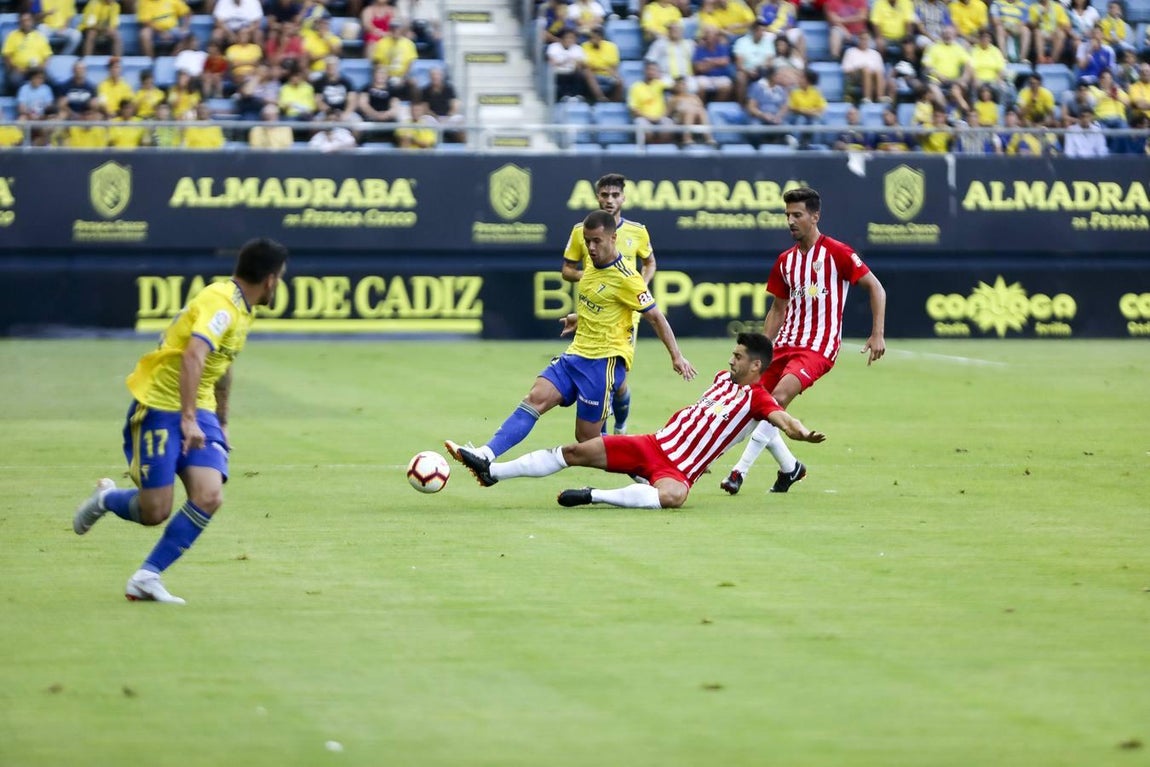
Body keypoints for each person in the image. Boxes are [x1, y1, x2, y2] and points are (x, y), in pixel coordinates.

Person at [72, 238, 289, 605]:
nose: (281, 284)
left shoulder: (242, 309)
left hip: (199, 407)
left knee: (209, 495)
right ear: (270, 280)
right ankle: (107, 499)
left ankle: (147, 576)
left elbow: (219, 366)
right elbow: (193, 357)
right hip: (160, 404)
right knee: (154, 511)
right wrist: (188, 420)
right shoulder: (221, 303)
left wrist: (220, 420)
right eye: (281, 277)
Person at [447, 333, 825, 509]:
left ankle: (593, 496)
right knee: (576, 450)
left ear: (756, 365)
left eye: (738, 356)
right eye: (732, 354)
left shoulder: (757, 398)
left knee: (675, 497)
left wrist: (803, 433)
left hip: (676, 470)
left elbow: (782, 420)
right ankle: (493, 473)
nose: (731, 360)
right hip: (652, 444)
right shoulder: (722, 379)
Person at [446, 210, 696, 468]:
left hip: (603, 364)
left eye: (597, 241)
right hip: (575, 356)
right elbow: (602, 305)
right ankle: (486, 455)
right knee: (535, 398)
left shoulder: (627, 278)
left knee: (588, 441)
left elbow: (656, 317)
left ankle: (649, 466)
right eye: (587, 240)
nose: (590, 246)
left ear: (614, 238)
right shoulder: (590, 267)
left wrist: (676, 356)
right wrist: (579, 318)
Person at [719, 187, 886, 496]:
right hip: (784, 345)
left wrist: (877, 332)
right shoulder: (785, 261)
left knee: (778, 397)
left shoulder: (837, 252)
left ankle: (737, 472)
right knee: (754, 405)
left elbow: (876, 287)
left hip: (818, 348)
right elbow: (778, 308)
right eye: (787, 215)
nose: (791, 221)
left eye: (797, 215)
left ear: (815, 216)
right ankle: (790, 468)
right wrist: (762, 350)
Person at [561, 173, 656, 436]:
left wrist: (639, 287)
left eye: (615, 195)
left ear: (624, 198)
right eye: (605, 194)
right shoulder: (582, 231)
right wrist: (595, 277)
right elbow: (567, 270)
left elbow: (649, 262)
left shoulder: (637, 231)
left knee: (618, 384)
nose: (610, 200)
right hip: (594, 312)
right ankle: (601, 439)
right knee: (602, 382)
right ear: (597, 197)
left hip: (626, 317)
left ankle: (620, 427)